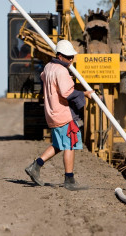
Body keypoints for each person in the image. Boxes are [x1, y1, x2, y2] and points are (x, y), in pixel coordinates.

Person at [25, 40, 94, 191]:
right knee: (70, 144)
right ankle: (69, 179)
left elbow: (45, 79)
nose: (71, 60)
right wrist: (85, 94)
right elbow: (67, 92)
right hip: (64, 114)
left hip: (52, 113)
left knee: (58, 145)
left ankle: (35, 166)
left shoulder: (48, 67)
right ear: (60, 56)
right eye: (69, 57)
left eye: (72, 57)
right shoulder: (61, 71)